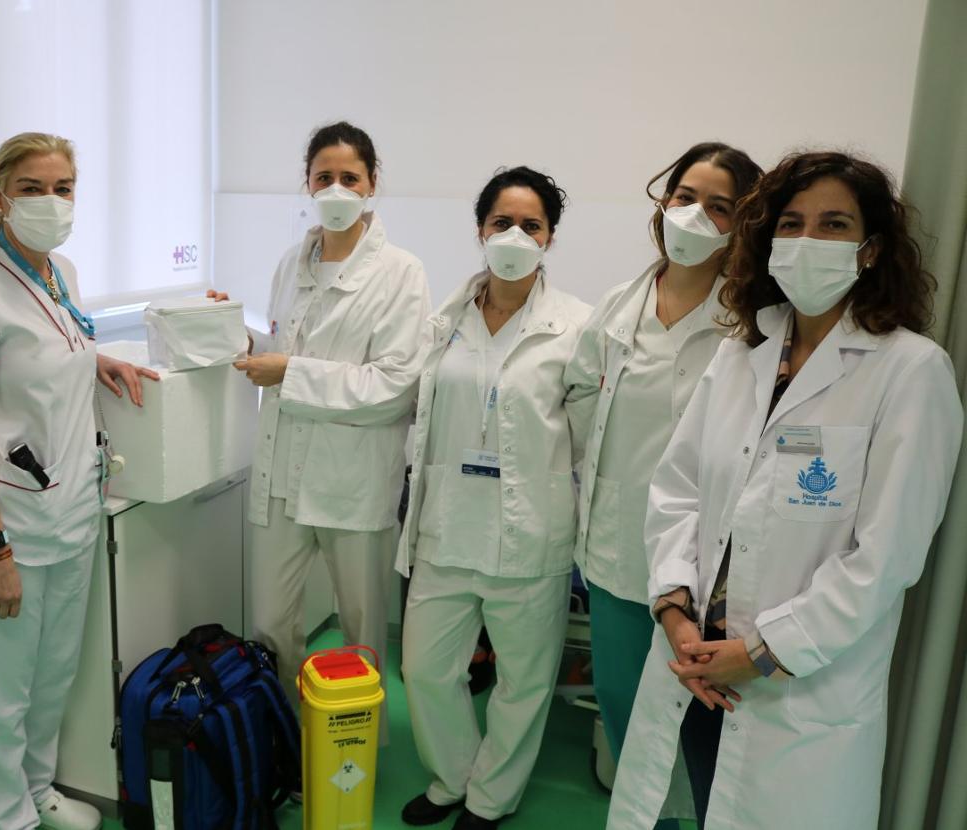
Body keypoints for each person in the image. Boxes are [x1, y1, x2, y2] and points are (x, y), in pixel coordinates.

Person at [606, 151, 963, 830]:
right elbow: (678, 490)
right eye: (791, 224)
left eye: (834, 225)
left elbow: (885, 558)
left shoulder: (911, 372)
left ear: (870, 249)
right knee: (695, 806)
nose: (807, 240)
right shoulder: (741, 354)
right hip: (696, 664)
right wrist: (675, 612)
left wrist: (762, 653)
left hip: (795, 685)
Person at [0, 132, 156, 830]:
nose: (50, 202)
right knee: (2, 685)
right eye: (31, 188)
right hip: (9, 522)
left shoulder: (61, 273)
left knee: (53, 670)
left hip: (71, 508)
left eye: (62, 189)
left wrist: (95, 360)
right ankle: (7, 814)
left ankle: (36, 788)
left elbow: (46, 349)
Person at [564, 142, 762, 826]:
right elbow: (577, 400)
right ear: (663, 202)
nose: (695, 216)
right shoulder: (619, 307)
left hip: (709, 570)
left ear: (743, 224)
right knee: (628, 717)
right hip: (619, 556)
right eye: (685, 197)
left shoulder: (753, 323)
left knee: (703, 733)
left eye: (719, 206)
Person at [397, 166, 592, 830]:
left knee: (523, 681)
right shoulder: (445, 319)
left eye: (530, 225)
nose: (515, 235)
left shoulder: (577, 326)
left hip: (529, 531)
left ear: (550, 237)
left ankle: (491, 797)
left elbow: (587, 436)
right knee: (426, 669)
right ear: (480, 230)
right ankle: (453, 776)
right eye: (501, 222)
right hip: (447, 525)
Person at [213, 121, 430, 709]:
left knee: (362, 628)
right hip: (283, 474)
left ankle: (355, 742)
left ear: (372, 183)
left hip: (352, 481)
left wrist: (289, 371)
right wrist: (239, 335)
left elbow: (395, 385)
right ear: (307, 183)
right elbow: (286, 346)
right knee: (270, 624)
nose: (336, 189)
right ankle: (285, 736)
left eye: (349, 178)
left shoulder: (401, 272)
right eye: (323, 177)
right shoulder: (293, 262)